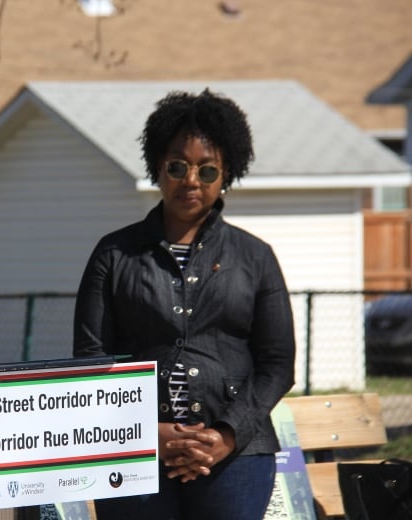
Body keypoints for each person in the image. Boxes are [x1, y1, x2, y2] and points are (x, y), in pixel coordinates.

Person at [73, 89, 296, 520]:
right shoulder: (114, 254)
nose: (191, 180)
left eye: (207, 170)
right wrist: (146, 434)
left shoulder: (256, 257)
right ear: (158, 166)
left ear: (226, 174)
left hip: (237, 459)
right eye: (177, 166)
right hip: (134, 455)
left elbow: (277, 364)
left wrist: (226, 435)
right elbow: (91, 360)